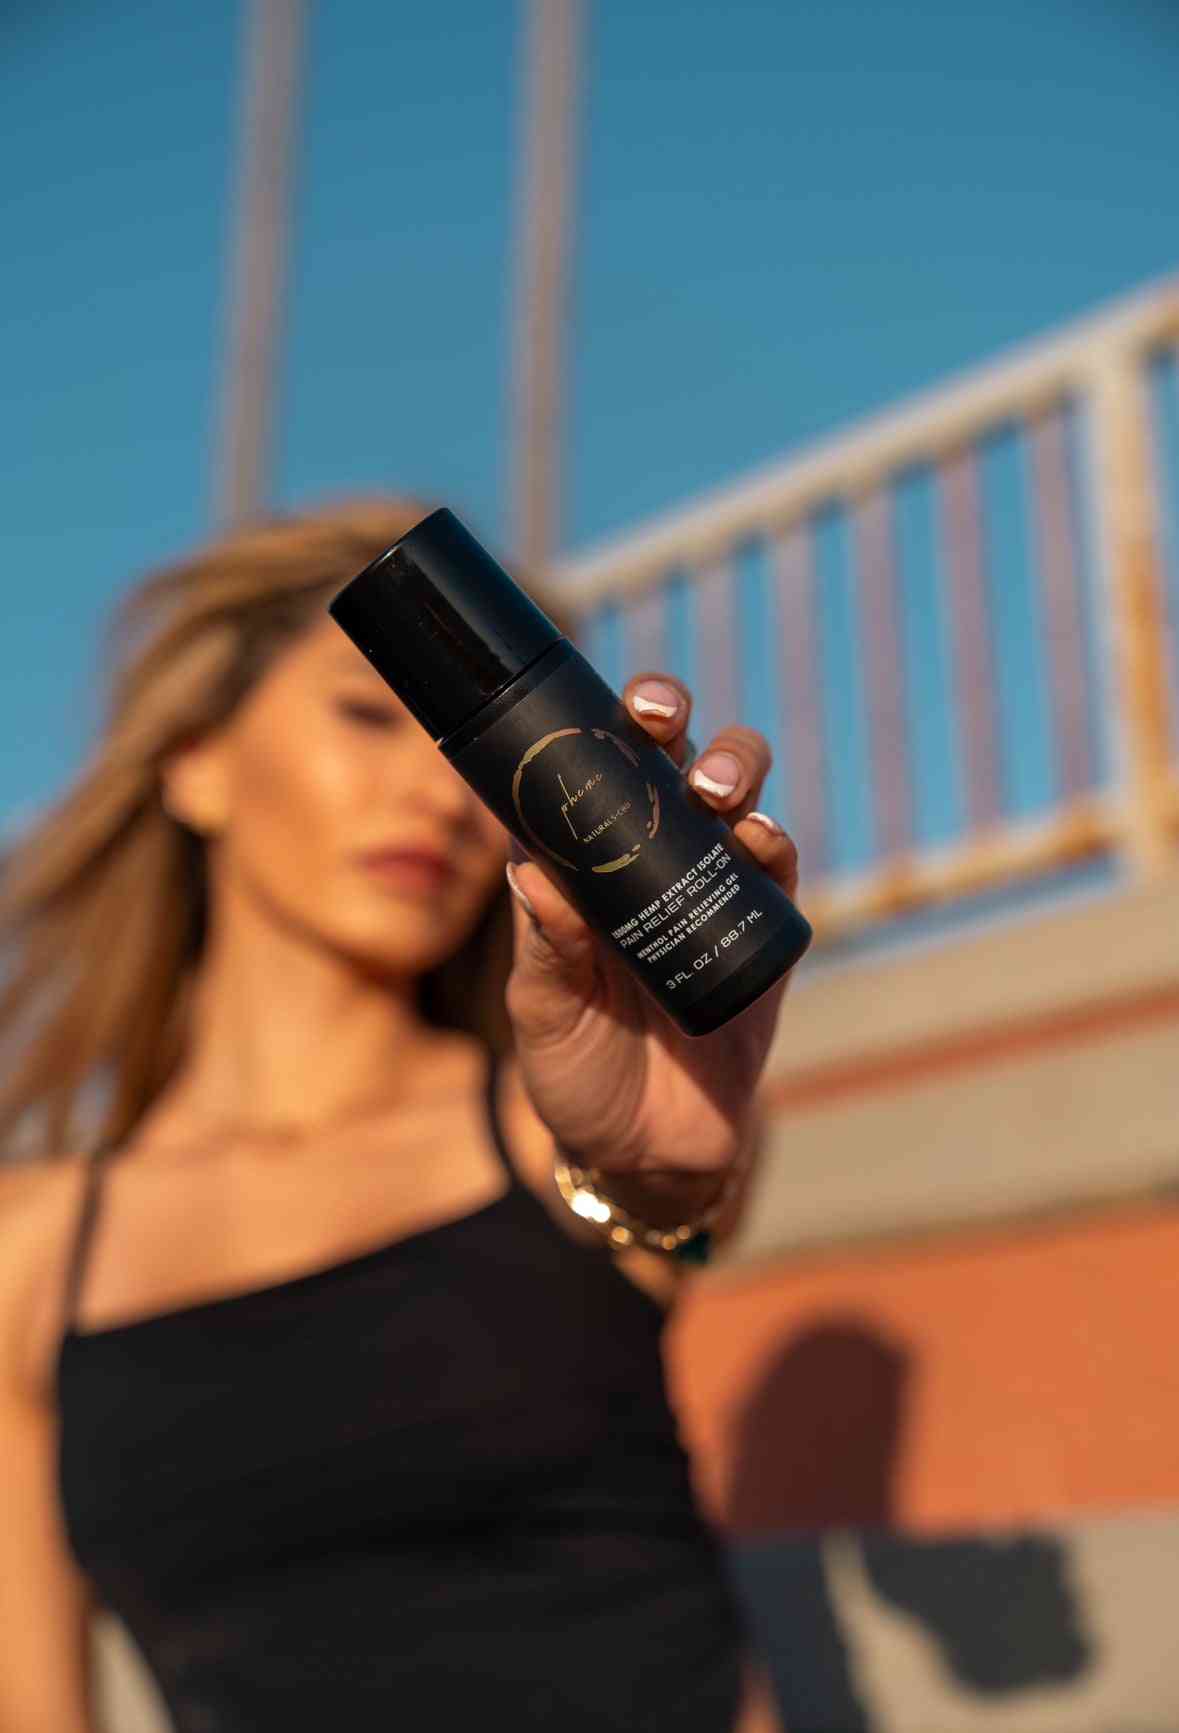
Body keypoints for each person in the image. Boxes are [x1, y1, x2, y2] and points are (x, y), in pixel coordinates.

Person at [0, 498, 800, 1732]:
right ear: (196, 761)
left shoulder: (555, 1132)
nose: (433, 797)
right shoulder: (35, 1252)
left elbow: (678, 1205)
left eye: (465, 754)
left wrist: (652, 1171)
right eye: (369, 714)